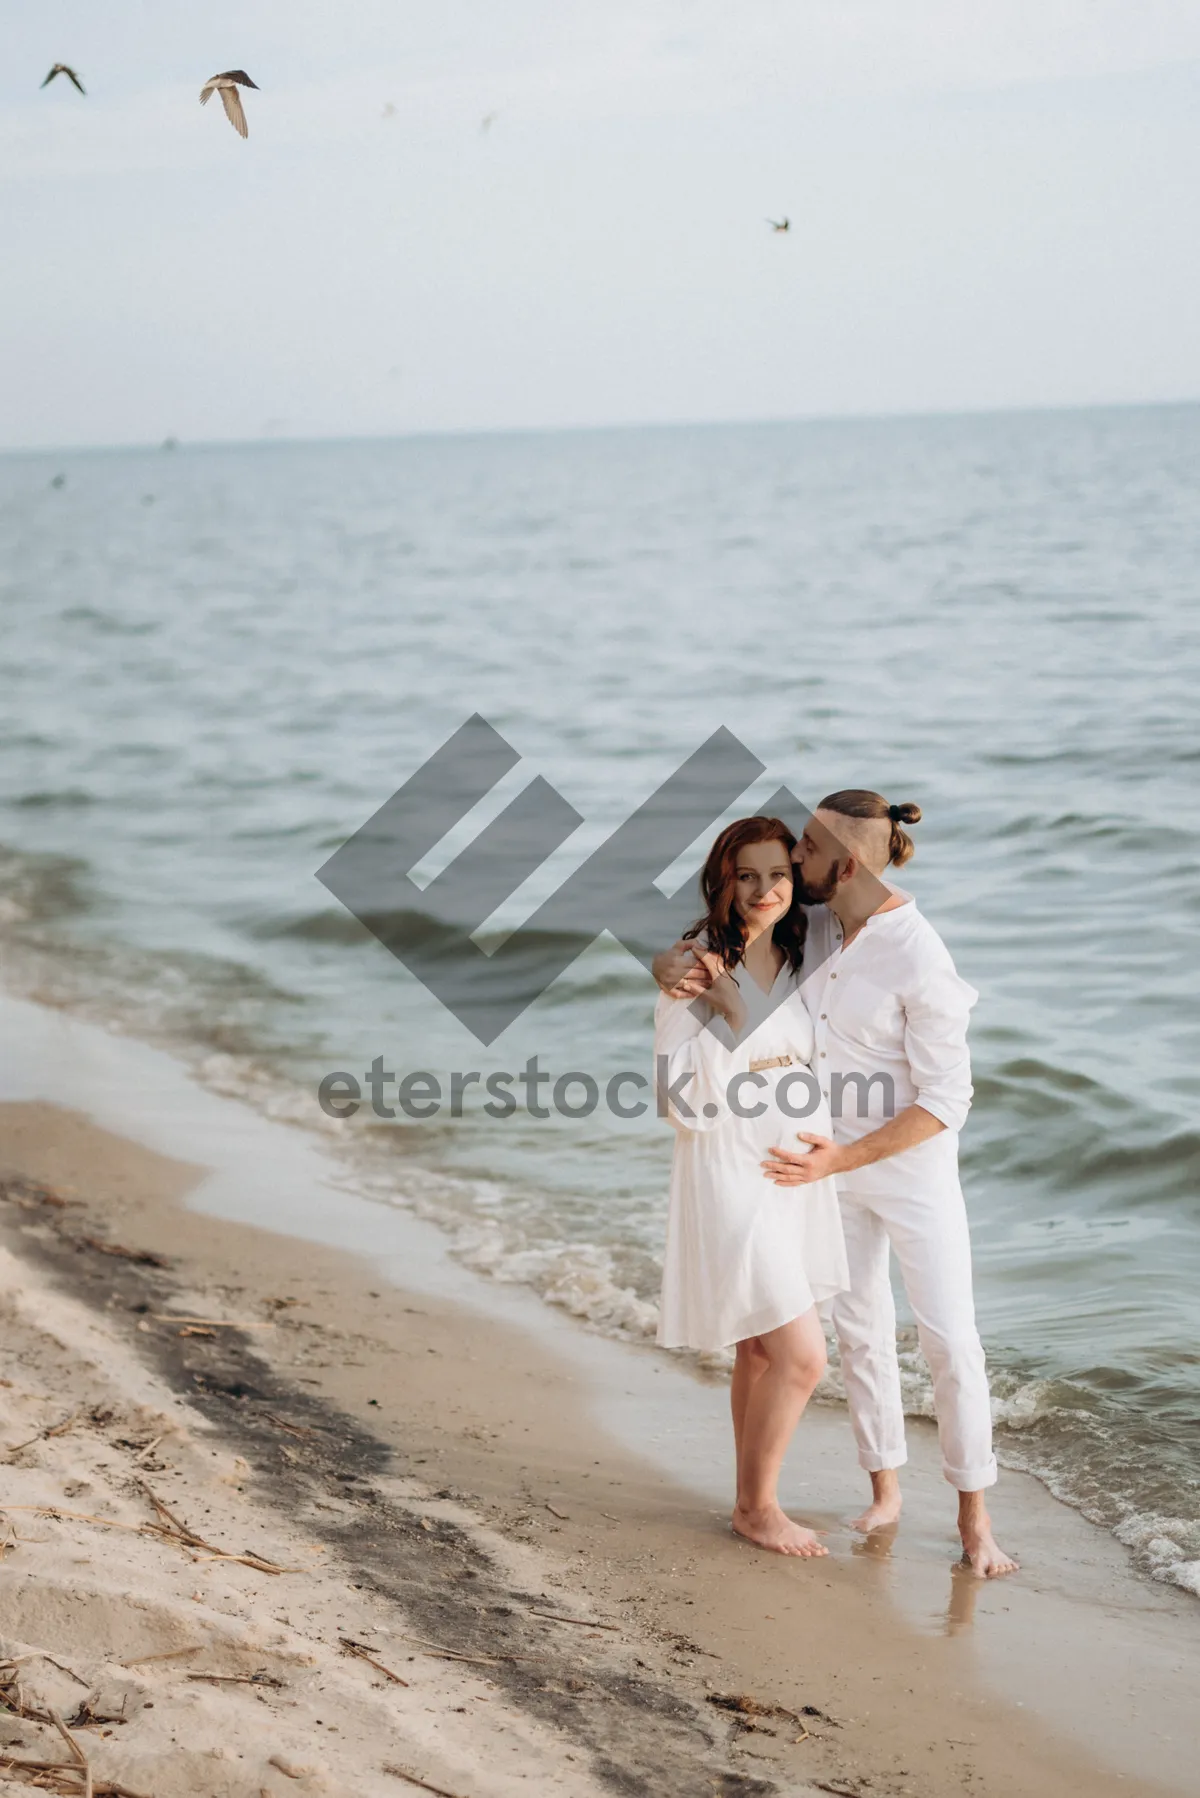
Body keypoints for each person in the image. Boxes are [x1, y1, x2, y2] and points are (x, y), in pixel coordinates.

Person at [653, 791, 1017, 1578]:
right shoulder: (815, 927)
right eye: (770, 868)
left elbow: (948, 1100)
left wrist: (841, 1161)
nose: (785, 874)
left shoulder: (916, 955)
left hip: (895, 1168)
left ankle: (974, 1519)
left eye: (802, 858)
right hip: (799, 1167)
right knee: (849, 1334)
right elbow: (715, 948)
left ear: (841, 865)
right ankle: (878, 1491)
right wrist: (672, 964)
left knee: (949, 1339)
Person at [654, 815, 848, 1557]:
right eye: (746, 875)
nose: (764, 888)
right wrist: (729, 1012)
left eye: (777, 873)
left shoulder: (803, 950)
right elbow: (677, 1098)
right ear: (723, 883)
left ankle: (747, 1501)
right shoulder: (699, 964)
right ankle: (760, 1508)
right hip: (732, 1162)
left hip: (792, 1165)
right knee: (803, 1357)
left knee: (761, 1352)